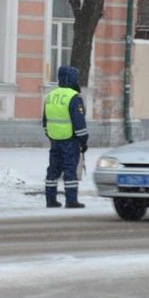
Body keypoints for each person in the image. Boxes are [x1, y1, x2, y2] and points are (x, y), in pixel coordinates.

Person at [42, 65, 89, 209]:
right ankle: (71, 200)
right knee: (70, 170)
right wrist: (84, 140)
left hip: (54, 138)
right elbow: (79, 122)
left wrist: (50, 135)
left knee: (53, 170)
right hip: (70, 139)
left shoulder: (51, 95)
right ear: (73, 78)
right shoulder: (74, 97)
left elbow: (45, 120)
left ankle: (50, 200)